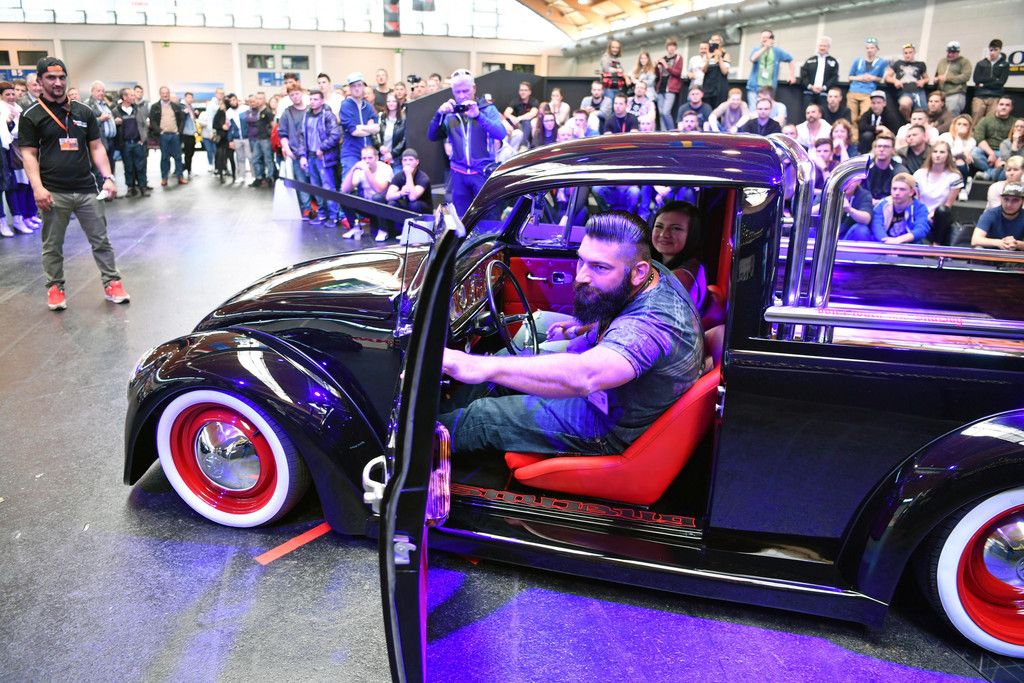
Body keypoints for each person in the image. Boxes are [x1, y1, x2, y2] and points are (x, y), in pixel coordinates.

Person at [439, 211, 704, 457]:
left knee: (482, 416)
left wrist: (476, 364)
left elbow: (585, 375)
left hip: (609, 425)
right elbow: (616, 312)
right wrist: (581, 330)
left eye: (600, 267)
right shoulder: (655, 274)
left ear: (639, 272)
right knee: (505, 364)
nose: (581, 277)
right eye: (581, 261)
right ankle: (439, 416)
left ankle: (419, 447)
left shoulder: (651, 323)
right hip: (616, 398)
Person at [19, 57, 129, 311]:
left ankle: (112, 282)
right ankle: (55, 287)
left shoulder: (83, 112)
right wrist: (37, 187)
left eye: (61, 77)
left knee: (101, 241)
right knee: (52, 246)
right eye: (51, 78)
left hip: (87, 189)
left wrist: (108, 177)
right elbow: (29, 154)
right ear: (40, 81)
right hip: (53, 192)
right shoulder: (31, 115)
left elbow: (96, 147)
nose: (57, 83)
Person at [427, 69, 505, 217]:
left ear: (474, 88)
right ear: (452, 91)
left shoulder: (487, 109)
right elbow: (432, 136)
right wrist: (439, 114)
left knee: (488, 217)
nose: (462, 96)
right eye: (458, 92)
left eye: (466, 91)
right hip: (459, 174)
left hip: (483, 173)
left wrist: (478, 115)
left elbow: (500, 133)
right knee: (461, 220)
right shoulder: (450, 113)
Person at [649, 201, 708, 313]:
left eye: (676, 228)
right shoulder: (694, 264)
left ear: (692, 234)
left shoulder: (677, 278)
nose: (664, 234)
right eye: (659, 226)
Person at [297, 89, 342, 228]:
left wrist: (322, 148)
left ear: (322, 101)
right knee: (316, 187)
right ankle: (322, 213)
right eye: (311, 99)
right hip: (310, 156)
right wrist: (302, 156)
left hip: (324, 157)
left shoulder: (327, 115)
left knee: (328, 187)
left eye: (316, 99)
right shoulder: (306, 115)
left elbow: (335, 134)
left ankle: (333, 216)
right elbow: (301, 136)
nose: (312, 102)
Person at [912, 140, 963, 244]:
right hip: (921, 212)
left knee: (943, 211)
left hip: (940, 216)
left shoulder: (954, 177)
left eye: (942, 152)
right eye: (935, 152)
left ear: (948, 155)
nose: (938, 155)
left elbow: (948, 205)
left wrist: (932, 215)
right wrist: (924, 214)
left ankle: (937, 245)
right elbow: (917, 199)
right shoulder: (919, 174)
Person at [341, 145, 393, 241]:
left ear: (376, 158)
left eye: (370, 158)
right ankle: (355, 228)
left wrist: (367, 171)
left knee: (377, 197)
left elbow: (379, 190)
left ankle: (383, 230)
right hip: (368, 205)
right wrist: (353, 169)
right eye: (364, 158)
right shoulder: (361, 170)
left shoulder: (385, 168)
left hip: (384, 207)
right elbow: (344, 189)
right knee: (344, 197)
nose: (367, 161)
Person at [276, 83, 312, 220]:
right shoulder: (287, 113)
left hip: (312, 152)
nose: (295, 97)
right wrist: (287, 149)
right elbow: (282, 133)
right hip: (296, 152)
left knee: (316, 182)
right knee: (301, 182)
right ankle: (307, 209)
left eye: (297, 93)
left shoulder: (310, 110)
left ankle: (322, 209)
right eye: (292, 95)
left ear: (301, 93)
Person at [384, 148, 432, 238]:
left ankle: (414, 233)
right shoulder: (398, 176)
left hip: (423, 208)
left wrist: (408, 174)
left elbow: (412, 197)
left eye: (410, 160)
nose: (407, 163)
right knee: (392, 203)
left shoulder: (423, 177)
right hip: (406, 205)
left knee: (414, 204)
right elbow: (388, 196)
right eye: (405, 160)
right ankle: (397, 231)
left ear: (417, 162)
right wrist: (401, 193)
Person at [870, 173, 929, 244]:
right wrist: (888, 244)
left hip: (909, 244)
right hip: (885, 243)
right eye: (894, 189)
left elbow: (921, 229)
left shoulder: (920, 207)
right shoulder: (882, 205)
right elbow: (877, 227)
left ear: (911, 192)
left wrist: (898, 240)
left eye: (902, 189)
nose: (897, 193)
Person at [112, 87, 149, 198]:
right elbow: (112, 127)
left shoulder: (138, 109)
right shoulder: (116, 111)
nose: (134, 97)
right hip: (125, 144)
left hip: (138, 143)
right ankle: (130, 188)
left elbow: (144, 125)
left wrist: (143, 139)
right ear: (124, 97)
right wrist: (114, 123)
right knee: (128, 167)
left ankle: (143, 187)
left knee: (141, 167)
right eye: (132, 95)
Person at [745, 29, 794, 110]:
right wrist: (765, 48)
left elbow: (791, 59)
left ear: (772, 39)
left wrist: (791, 75)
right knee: (753, 111)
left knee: (767, 111)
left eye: (767, 37)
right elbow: (753, 59)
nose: (764, 39)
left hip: (769, 89)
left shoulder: (777, 51)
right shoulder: (756, 50)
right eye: (763, 37)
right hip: (754, 87)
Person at [148, 86, 186, 186]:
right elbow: (152, 120)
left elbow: (182, 119)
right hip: (163, 136)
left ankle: (180, 177)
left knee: (178, 157)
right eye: (163, 93)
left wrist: (179, 131)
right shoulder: (155, 107)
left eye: (167, 93)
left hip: (175, 135)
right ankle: (164, 178)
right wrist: (159, 131)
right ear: (160, 94)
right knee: (164, 158)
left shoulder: (175, 106)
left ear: (169, 94)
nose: (165, 95)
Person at [972, 97, 1016, 181]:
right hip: (986, 151)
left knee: (1007, 161)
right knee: (974, 153)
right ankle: (991, 172)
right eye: (1001, 104)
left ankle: (987, 174)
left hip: (1004, 152)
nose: (1003, 107)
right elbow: (979, 138)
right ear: (997, 106)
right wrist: (991, 154)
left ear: (1011, 108)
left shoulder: (1015, 122)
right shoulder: (985, 120)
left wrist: (1001, 157)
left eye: (1007, 105)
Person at [846, 37, 888, 125]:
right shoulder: (858, 61)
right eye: (868, 48)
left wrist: (872, 78)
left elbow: (880, 78)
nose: (869, 50)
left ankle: (861, 132)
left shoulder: (881, 62)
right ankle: (853, 133)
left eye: (872, 48)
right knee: (852, 117)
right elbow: (850, 77)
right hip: (854, 90)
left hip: (868, 92)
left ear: (876, 49)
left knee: (864, 116)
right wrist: (860, 78)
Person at [971, 182, 1023, 250]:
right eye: (1006, 199)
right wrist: (999, 243)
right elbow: (975, 240)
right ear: (1001, 199)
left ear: (1022, 201)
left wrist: (1016, 243)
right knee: (978, 248)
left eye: (1015, 200)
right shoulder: (990, 214)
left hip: (1016, 254)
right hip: (989, 252)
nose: (1009, 204)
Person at [84, 81, 116, 192]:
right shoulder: (87, 105)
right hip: (99, 142)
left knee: (110, 166)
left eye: (103, 91)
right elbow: (86, 123)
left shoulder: (104, 104)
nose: (101, 93)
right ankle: (101, 191)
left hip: (110, 141)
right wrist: (100, 119)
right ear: (92, 91)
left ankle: (110, 189)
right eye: (98, 90)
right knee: (99, 168)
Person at [884, 43, 929, 120]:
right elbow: (887, 77)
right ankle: (909, 120)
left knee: (923, 111)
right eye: (906, 53)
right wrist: (895, 81)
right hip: (904, 92)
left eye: (910, 52)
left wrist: (923, 81)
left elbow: (927, 78)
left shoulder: (920, 64)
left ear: (914, 53)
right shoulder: (898, 63)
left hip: (918, 91)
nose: (908, 55)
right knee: (905, 104)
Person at [971, 39, 1009, 123]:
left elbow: (1001, 82)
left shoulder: (1005, 64)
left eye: (995, 50)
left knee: (990, 121)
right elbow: (976, 79)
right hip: (980, 95)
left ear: (1000, 50)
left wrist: (984, 84)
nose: (992, 52)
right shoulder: (981, 63)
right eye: (991, 50)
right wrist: (994, 79)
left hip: (995, 95)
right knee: (975, 120)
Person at [865, 132, 907, 203]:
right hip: (865, 204)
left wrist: (882, 202)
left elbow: (904, 192)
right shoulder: (864, 167)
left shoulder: (900, 170)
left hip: (891, 205)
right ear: (874, 149)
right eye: (879, 146)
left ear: (893, 150)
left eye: (886, 146)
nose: (881, 149)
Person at [243, 91, 274, 187]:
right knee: (255, 159)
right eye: (257, 98)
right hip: (257, 138)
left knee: (268, 159)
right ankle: (259, 178)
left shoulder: (267, 112)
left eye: (260, 98)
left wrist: (271, 136)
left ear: (264, 100)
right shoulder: (258, 112)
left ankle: (271, 178)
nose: (258, 100)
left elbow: (274, 126)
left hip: (266, 139)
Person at [800, 37, 840, 110]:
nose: (822, 48)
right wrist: (810, 86)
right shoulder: (810, 60)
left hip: (824, 94)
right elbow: (803, 75)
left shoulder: (833, 61)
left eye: (824, 46)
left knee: (824, 113)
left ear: (828, 47)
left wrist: (824, 87)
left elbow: (834, 77)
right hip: (809, 93)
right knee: (808, 113)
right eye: (820, 45)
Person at [938, 114, 977, 188]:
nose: (961, 126)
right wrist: (958, 136)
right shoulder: (945, 136)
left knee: (960, 161)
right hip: (944, 161)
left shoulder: (971, 141)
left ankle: (962, 188)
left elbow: (966, 157)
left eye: (965, 124)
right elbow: (948, 153)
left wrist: (958, 138)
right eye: (959, 124)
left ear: (969, 127)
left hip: (961, 165)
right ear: (954, 125)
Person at [654, 38, 684, 132]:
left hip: (671, 88)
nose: (671, 48)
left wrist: (666, 66)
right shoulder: (663, 58)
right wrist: (656, 66)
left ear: (675, 47)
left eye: (673, 46)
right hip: (660, 88)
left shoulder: (678, 58)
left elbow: (677, 73)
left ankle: (672, 132)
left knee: (666, 112)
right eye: (669, 46)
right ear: (667, 47)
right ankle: (664, 133)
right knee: (661, 113)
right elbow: (658, 75)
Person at [934, 41, 971, 116]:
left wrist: (948, 78)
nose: (950, 54)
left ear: (958, 52)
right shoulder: (942, 61)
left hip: (955, 94)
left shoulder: (964, 62)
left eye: (953, 52)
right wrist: (936, 80)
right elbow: (937, 75)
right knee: (938, 117)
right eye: (949, 52)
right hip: (941, 95)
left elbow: (966, 76)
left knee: (951, 117)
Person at [857, 90, 900, 154]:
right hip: (869, 141)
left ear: (884, 103)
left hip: (884, 141)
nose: (875, 105)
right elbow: (861, 126)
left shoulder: (890, 116)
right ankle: (864, 155)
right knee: (867, 135)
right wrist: (876, 128)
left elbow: (893, 132)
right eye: (873, 103)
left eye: (878, 103)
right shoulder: (868, 113)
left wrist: (882, 132)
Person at [503, 82, 539, 147]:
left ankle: (523, 145)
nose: (523, 92)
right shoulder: (515, 101)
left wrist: (519, 118)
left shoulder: (534, 101)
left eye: (525, 90)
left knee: (526, 122)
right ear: (519, 92)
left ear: (530, 92)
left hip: (528, 125)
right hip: (517, 124)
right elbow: (506, 113)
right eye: (521, 90)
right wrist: (512, 118)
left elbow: (533, 113)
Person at [376, 92, 406, 169]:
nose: (391, 103)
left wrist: (392, 154)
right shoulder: (381, 117)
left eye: (393, 101)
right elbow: (375, 134)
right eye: (388, 101)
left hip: (396, 159)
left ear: (398, 103)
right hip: (382, 157)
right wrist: (380, 146)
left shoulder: (404, 120)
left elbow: (404, 140)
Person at [702, 33, 731, 109]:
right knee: (707, 108)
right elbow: (703, 70)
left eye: (717, 40)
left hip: (720, 87)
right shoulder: (707, 55)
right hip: (708, 86)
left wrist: (720, 57)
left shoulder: (726, 55)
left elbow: (725, 72)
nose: (714, 42)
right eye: (712, 40)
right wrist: (708, 59)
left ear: (720, 43)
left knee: (719, 108)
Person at [212, 96, 236, 183]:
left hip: (230, 138)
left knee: (231, 157)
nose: (221, 105)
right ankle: (221, 174)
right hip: (221, 139)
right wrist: (222, 126)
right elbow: (214, 125)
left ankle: (234, 175)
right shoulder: (218, 113)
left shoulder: (231, 112)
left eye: (222, 104)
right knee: (221, 157)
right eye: (220, 104)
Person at [179, 91, 199, 179]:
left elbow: (193, 119)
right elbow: (180, 117)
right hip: (185, 133)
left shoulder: (191, 107)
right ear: (185, 98)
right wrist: (184, 112)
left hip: (192, 132)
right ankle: (187, 170)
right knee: (187, 153)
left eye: (191, 97)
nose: (190, 99)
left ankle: (187, 168)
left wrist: (196, 113)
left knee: (191, 153)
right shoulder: (181, 106)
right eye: (189, 97)